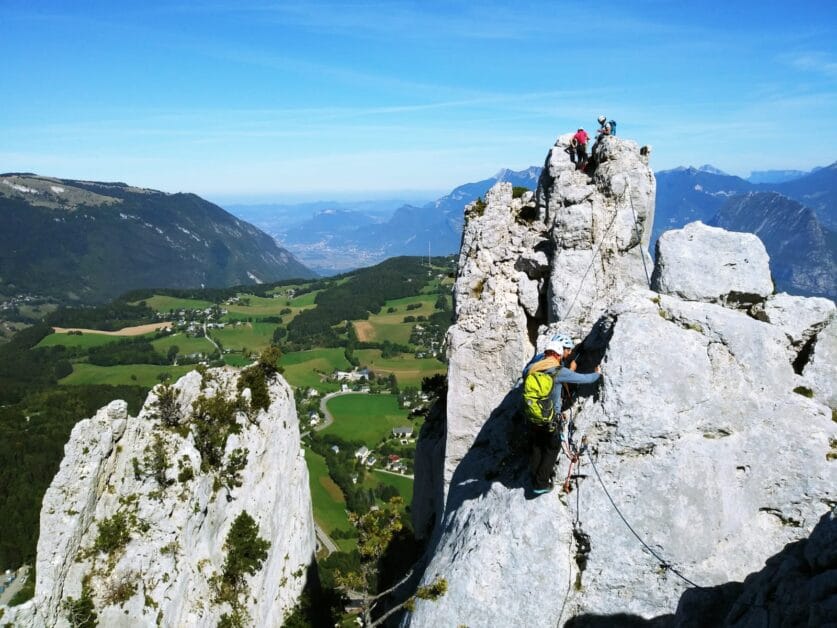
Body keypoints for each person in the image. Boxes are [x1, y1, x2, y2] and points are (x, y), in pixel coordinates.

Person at [524, 334, 601, 494]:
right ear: (558, 355)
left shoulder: (533, 368)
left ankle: (534, 477)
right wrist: (597, 374)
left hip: (532, 417)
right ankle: (541, 483)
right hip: (550, 418)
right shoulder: (558, 371)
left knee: (537, 447)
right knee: (552, 448)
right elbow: (584, 379)